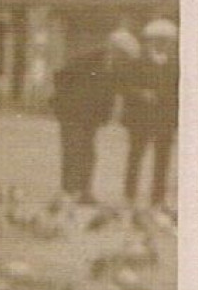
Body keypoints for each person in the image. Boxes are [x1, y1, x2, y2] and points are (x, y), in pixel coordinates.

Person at [48, 29, 139, 204]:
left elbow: (119, 90)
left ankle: (84, 191)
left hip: (92, 116)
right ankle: (68, 191)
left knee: (89, 153)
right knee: (72, 150)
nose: (124, 59)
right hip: (72, 112)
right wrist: (65, 100)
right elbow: (60, 76)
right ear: (114, 48)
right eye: (123, 54)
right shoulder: (89, 58)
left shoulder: (117, 67)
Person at [121, 18, 180, 210]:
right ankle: (129, 195)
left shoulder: (176, 65)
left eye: (166, 41)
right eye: (157, 40)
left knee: (162, 158)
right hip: (141, 117)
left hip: (165, 118)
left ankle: (157, 198)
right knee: (135, 155)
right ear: (149, 41)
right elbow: (125, 86)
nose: (162, 44)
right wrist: (141, 93)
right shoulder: (138, 61)